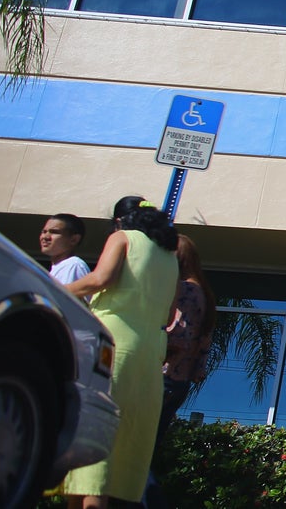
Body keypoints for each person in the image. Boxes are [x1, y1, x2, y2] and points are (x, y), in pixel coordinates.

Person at [61, 196, 179, 509]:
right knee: (123, 448)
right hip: (148, 361)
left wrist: (55, 290)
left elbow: (102, 278)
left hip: (110, 348)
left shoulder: (121, 238)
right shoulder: (171, 256)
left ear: (119, 221)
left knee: (92, 449)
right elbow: (169, 317)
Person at [143, 234, 217, 509]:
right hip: (180, 380)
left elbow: (179, 336)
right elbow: (202, 344)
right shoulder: (204, 294)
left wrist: (151, 333)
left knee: (135, 453)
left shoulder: (185, 290)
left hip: (163, 376)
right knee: (144, 453)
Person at [41, 213, 91, 291]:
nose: (45, 237)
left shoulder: (73, 265)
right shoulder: (60, 267)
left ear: (74, 239)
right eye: (44, 232)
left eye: (54, 232)